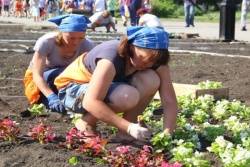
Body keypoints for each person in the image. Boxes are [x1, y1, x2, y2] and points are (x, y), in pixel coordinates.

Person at [54, 26, 178, 143]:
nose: (149, 65)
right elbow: (90, 101)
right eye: (143, 58)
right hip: (73, 89)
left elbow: (169, 101)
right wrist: (129, 127)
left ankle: (124, 135)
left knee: (151, 79)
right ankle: (86, 123)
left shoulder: (154, 61)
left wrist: (167, 135)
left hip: (106, 88)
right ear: (131, 47)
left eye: (153, 61)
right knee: (127, 96)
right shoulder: (111, 57)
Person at [23, 14, 95, 114]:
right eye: (71, 38)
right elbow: (37, 75)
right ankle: (49, 98)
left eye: (81, 38)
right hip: (41, 78)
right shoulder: (47, 42)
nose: (76, 42)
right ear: (61, 32)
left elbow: (93, 72)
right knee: (63, 72)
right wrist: (51, 97)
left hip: (66, 78)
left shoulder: (87, 45)